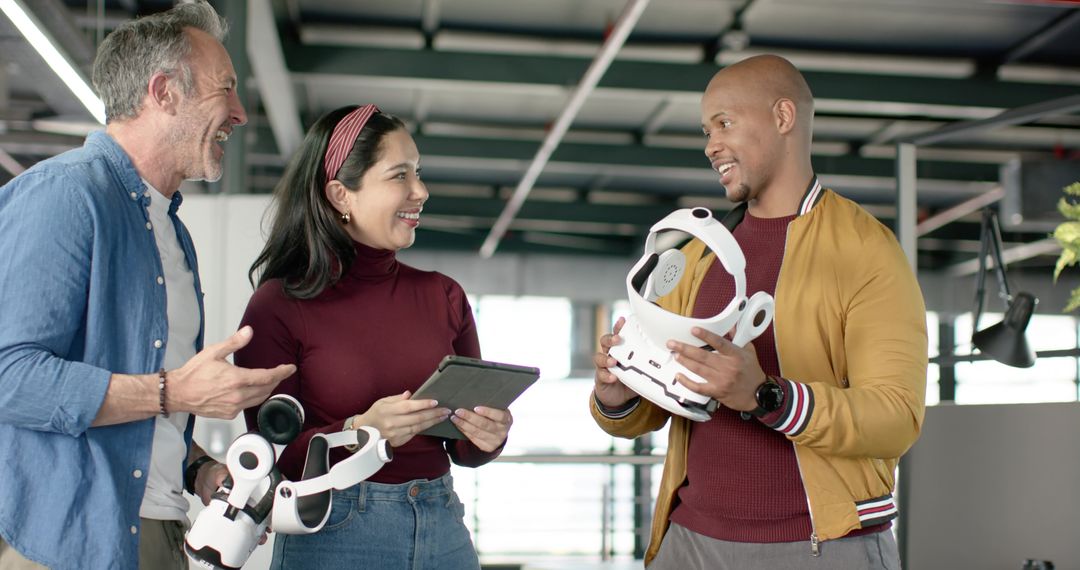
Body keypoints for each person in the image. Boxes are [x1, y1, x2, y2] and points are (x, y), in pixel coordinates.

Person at [590, 54, 927, 569]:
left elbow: (896, 418)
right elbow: (664, 403)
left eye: (724, 123)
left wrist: (766, 395)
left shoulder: (867, 250)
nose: (710, 146)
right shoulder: (698, 252)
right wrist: (619, 396)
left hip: (821, 545)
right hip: (689, 541)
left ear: (783, 117)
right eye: (706, 130)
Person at [0, 3, 296, 569]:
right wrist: (174, 393)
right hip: (66, 540)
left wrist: (199, 469)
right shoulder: (65, 196)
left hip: (158, 530)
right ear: (163, 92)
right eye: (226, 90)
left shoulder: (171, 232)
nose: (240, 113)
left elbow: (142, 406)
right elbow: (9, 375)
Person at [235, 104, 512, 569]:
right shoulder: (280, 305)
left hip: (442, 524)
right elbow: (272, 458)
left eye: (418, 173)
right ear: (341, 194)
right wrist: (357, 433)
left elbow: (462, 448)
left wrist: (488, 435)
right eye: (399, 175)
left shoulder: (444, 295)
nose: (420, 191)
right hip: (334, 531)